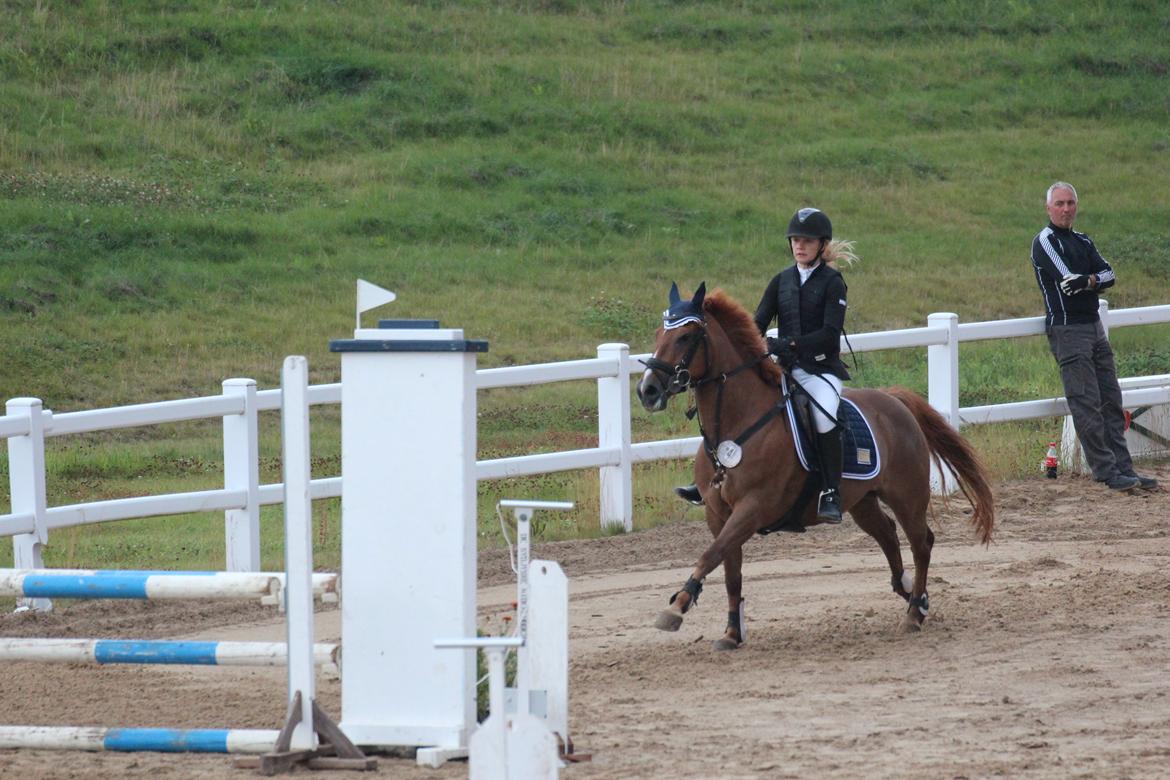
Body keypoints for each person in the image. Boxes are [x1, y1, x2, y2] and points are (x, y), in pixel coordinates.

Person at [675, 207, 856, 523]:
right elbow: (756, 323)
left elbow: (829, 336)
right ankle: (708, 479)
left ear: (821, 244)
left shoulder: (832, 283)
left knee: (825, 415)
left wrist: (791, 344)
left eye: (807, 241)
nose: (800, 246)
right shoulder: (781, 281)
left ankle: (830, 491)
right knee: (734, 408)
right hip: (782, 366)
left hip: (819, 370)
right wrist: (748, 349)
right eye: (796, 240)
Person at [1031, 181, 1156, 491]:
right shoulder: (1044, 241)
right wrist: (1092, 280)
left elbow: (1108, 274)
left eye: (1070, 203)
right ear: (1048, 208)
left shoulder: (1083, 240)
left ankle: (1124, 469)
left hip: (1094, 326)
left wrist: (1088, 280)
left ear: (1077, 206)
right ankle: (1107, 472)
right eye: (1059, 203)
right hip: (1068, 328)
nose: (1065, 209)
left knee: (1111, 399)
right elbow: (1067, 279)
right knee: (1085, 401)